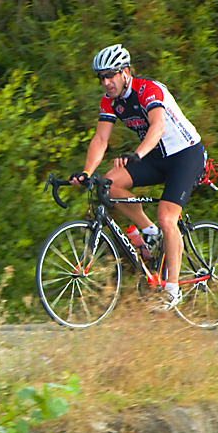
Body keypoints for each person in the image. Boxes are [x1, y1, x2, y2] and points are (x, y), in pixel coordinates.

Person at [70, 44, 205, 309]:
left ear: (125, 72)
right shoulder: (109, 101)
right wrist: (86, 173)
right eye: (101, 77)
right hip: (156, 157)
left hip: (185, 155)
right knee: (109, 184)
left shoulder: (148, 90)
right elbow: (100, 139)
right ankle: (150, 232)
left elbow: (158, 126)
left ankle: (172, 290)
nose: (105, 82)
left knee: (167, 217)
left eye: (110, 75)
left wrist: (138, 154)